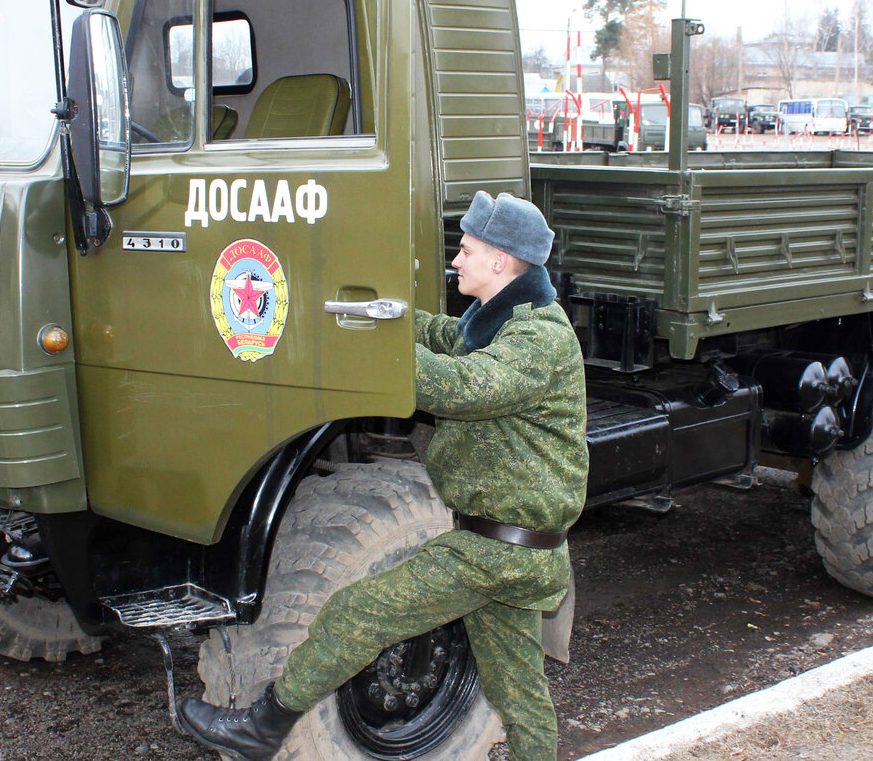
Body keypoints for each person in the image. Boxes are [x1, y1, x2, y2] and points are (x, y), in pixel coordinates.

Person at [178, 190, 589, 761]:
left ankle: (263, 729)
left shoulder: (537, 339)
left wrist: (366, 347)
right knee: (518, 695)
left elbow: (458, 385)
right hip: (509, 545)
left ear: (500, 261)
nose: (455, 261)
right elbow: (435, 335)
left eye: (465, 250)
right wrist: (362, 311)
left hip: (501, 551)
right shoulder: (498, 324)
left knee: (356, 612)